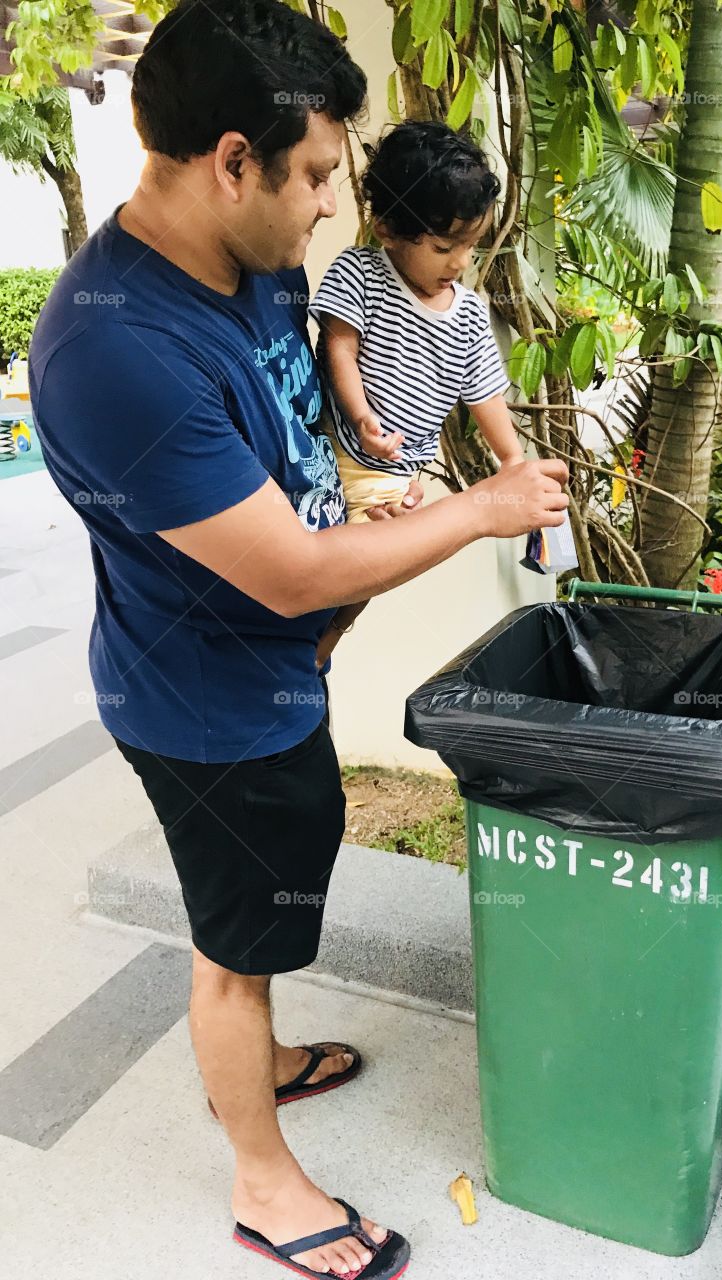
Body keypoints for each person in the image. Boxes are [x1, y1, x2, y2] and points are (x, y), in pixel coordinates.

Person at [27, 2, 568, 1277]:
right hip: (207, 707)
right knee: (237, 945)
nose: (332, 204)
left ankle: (257, 1062)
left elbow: (279, 447)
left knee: (273, 905)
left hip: (273, 671)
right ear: (231, 159)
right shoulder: (116, 348)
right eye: (319, 173)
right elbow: (287, 576)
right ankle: (264, 1179)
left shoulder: (253, 262)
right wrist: (485, 506)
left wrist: (355, 483)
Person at [310, 121, 523, 523]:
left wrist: (512, 460)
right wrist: (361, 418)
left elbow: (485, 396)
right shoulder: (359, 273)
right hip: (335, 444)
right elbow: (340, 349)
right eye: (444, 247)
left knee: (367, 560)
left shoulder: (470, 315)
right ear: (387, 231)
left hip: (391, 474)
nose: (460, 262)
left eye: (471, 246)